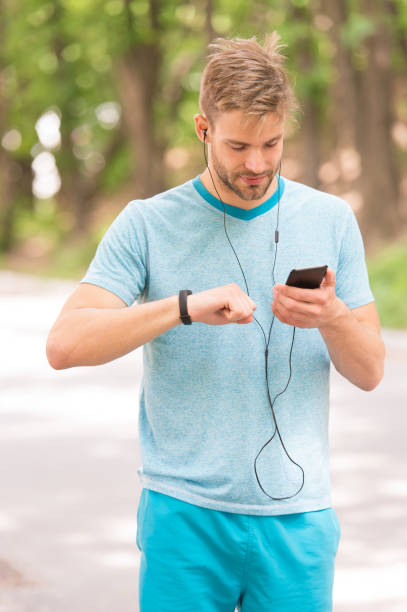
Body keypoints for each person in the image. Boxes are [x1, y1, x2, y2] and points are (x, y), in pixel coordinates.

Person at [46, 32, 385, 612]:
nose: (256, 165)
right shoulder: (147, 224)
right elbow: (65, 344)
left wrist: (331, 317)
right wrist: (183, 306)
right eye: (237, 147)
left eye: (272, 144)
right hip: (184, 518)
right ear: (204, 130)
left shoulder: (331, 220)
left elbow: (372, 370)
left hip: (298, 520)